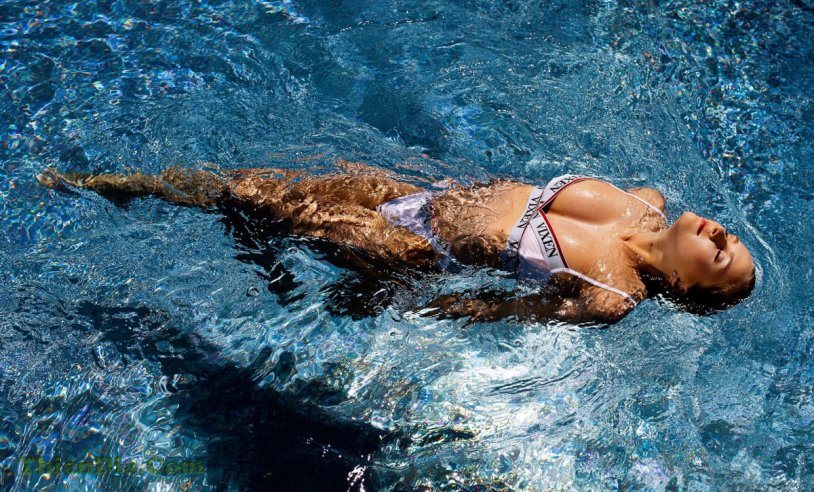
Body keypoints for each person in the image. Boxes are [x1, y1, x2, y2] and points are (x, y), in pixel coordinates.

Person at [35, 161, 755, 324]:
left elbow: (506, 309)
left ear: (688, 289)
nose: (719, 231)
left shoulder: (612, 298)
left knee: (245, 194)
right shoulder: (646, 202)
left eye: (720, 254)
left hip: (402, 244)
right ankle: (263, 252)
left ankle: (108, 185)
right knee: (261, 184)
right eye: (730, 234)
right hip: (415, 189)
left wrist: (425, 302)